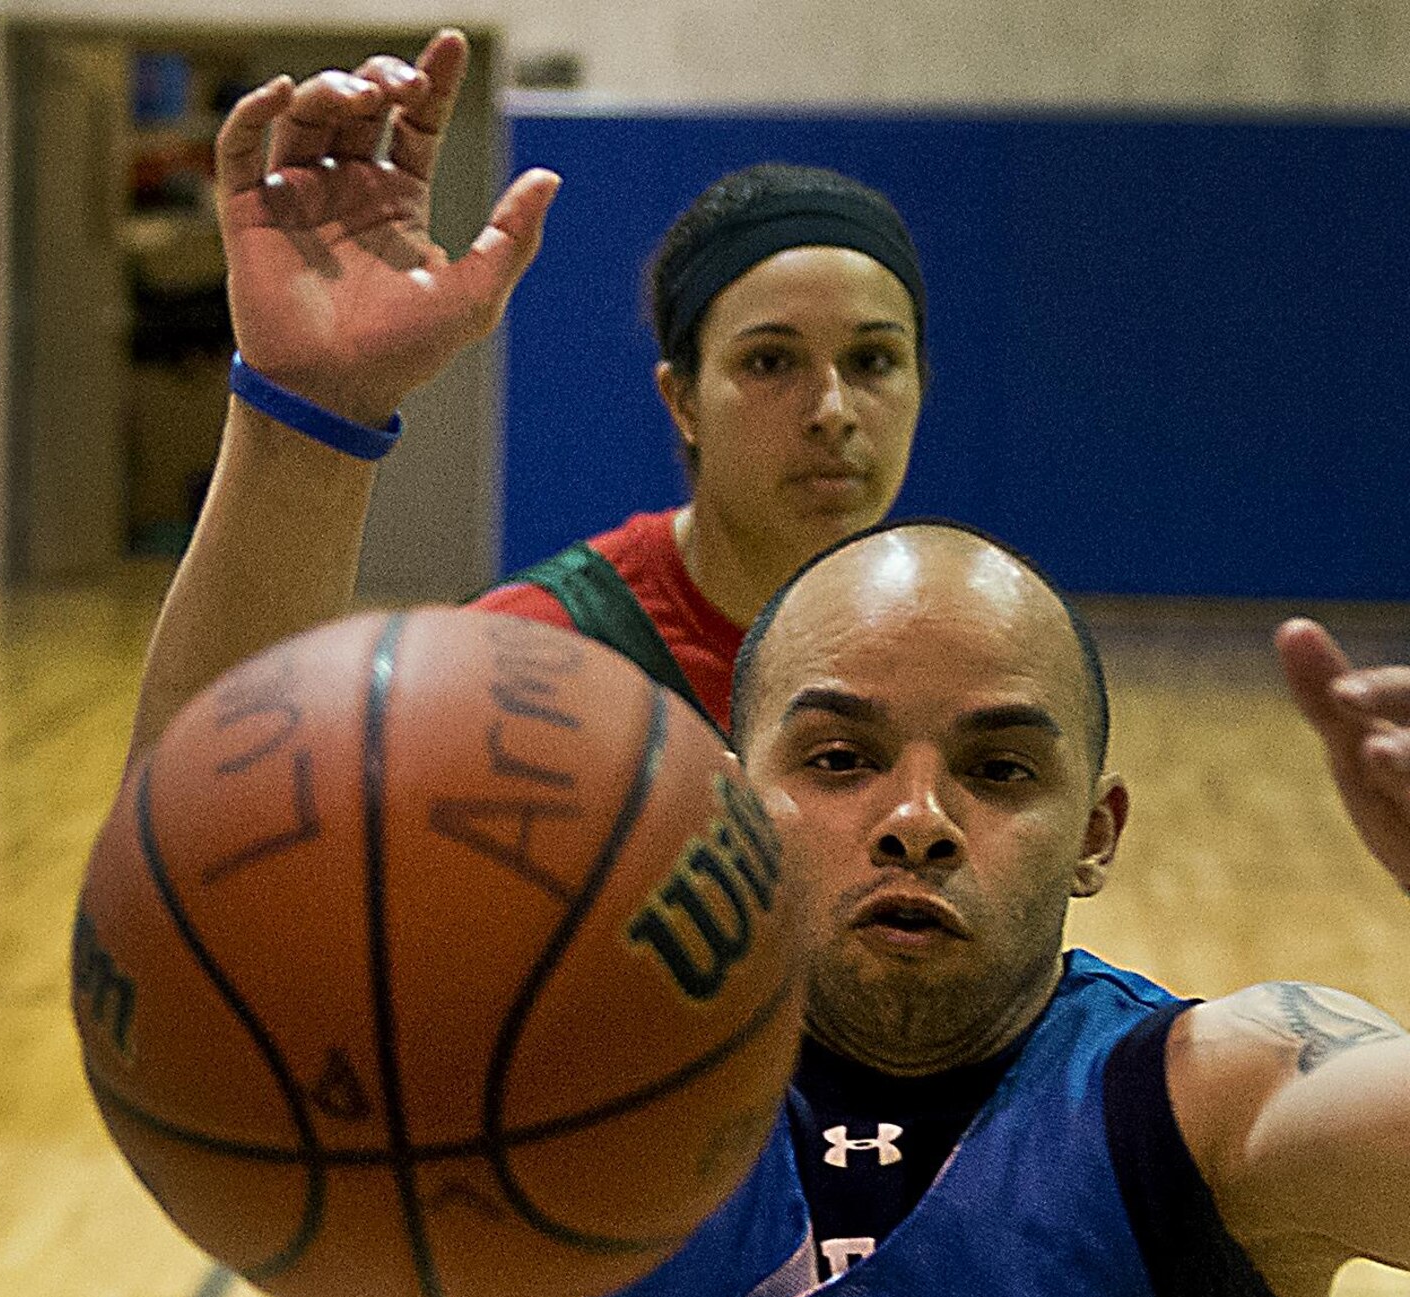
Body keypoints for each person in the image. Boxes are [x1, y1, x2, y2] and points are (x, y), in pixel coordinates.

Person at [532, 518, 1410, 1297]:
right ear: (730, 803)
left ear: (1093, 835)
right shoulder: (564, 1099)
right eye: (839, 759)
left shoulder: (1202, 1101)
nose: (915, 819)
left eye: (998, 768)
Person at [127, 29, 925, 760]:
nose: (833, 410)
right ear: (682, 401)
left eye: (874, 361)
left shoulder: (981, 672)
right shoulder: (533, 658)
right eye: (770, 363)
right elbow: (206, 841)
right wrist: (308, 401)